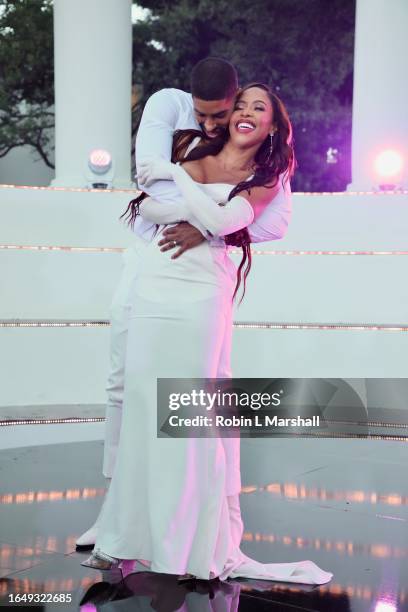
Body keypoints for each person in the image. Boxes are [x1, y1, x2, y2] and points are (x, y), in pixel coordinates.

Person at [81, 82, 333, 585]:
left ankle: (183, 542)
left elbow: (224, 217)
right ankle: (127, 536)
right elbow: (150, 209)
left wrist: (187, 196)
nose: (245, 112)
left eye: (258, 108)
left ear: (272, 127)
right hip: (156, 282)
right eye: (241, 104)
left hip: (202, 292)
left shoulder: (267, 174)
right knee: (143, 405)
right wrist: (201, 213)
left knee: (187, 411)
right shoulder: (201, 150)